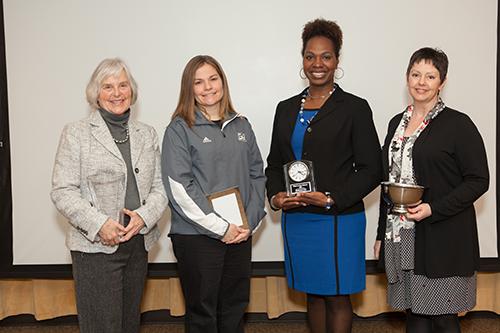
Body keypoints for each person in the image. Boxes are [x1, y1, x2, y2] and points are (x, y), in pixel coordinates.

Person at [265, 19, 381, 333]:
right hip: (299, 218)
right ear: (302, 60)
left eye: (326, 56)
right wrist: (276, 196)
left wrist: (332, 198)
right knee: (313, 296)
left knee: (338, 298)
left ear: (337, 61)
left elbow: (373, 169)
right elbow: (275, 164)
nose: (318, 64)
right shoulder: (285, 109)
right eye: (311, 56)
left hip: (339, 219)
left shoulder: (354, 108)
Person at [374, 47, 489, 333]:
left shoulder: (458, 124)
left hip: (442, 237)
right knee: (414, 314)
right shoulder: (395, 124)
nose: (421, 82)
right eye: (415, 74)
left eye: (430, 76)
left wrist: (433, 209)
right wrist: (379, 234)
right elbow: (388, 181)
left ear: (442, 82)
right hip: (401, 235)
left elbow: (478, 180)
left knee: (442, 317)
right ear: (407, 77)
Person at [50, 58, 167, 333]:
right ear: (96, 94)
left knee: (129, 324)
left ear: (132, 90)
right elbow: (62, 191)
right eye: (108, 86)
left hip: (138, 245)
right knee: (102, 327)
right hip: (94, 250)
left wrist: (144, 216)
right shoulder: (76, 133)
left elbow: (161, 187)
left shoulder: (146, 134)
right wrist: (100, 224)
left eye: (123, 85)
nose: (117, 93)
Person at [161, 55, 266, 333]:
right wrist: (221, 227)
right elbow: (180, 188)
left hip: (239, 234)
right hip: (197, 237)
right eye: (198, 82)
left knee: (234, 308)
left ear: (223, 82)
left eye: (213, 79)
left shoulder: (241, 125)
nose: (207, 87)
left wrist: (249, 222)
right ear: (189, 88)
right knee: (203, 315)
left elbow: (257, 174)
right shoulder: (179, 129)